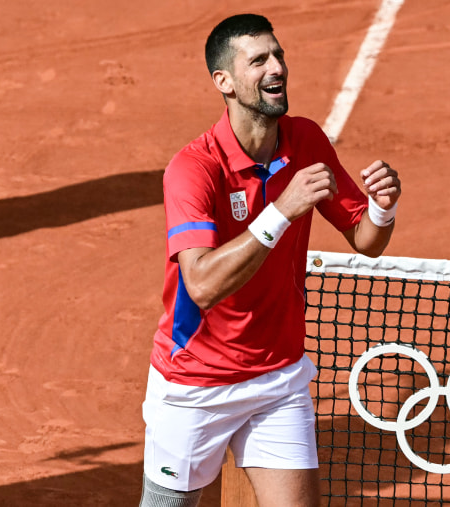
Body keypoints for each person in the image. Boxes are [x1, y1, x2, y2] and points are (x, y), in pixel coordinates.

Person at [140, 13, 401, 507]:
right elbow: (200, 284)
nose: (275, 66)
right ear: (225, 82)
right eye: (258, 60)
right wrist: (280, 211)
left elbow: (364, 238)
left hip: (277, 376)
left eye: (278, 54)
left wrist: (383, 209)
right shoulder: (194, 169)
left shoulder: (305, 140)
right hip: (196, 382)